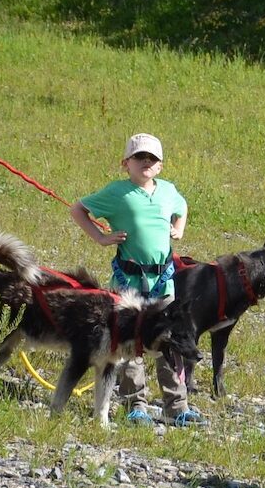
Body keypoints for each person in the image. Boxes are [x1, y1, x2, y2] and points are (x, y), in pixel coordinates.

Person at [68, 133, 195, 426]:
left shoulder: (167, 190)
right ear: (126, 163)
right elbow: (78, 209)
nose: (146, 163)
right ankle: (134, 404)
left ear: (160, 166)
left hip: (164, 281)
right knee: (130, 343)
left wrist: (179, 227)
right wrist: (100, 237)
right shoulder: (117, 193)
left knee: (170, 340)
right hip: (129, 283)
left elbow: (182, 205)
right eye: (139, 157)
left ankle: (176, 405)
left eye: (152, 159)